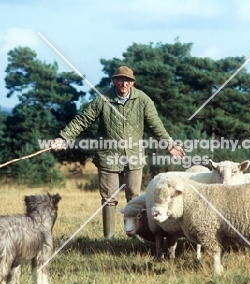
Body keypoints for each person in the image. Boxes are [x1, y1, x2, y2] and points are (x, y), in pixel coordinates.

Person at [51, 66, 185, 239]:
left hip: (134, 156)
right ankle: (109, 237)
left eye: (127, 80)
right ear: (113, 81)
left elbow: (155, 124)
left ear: (132, 82)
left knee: (134, 197)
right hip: (108, 156)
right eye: (120, 80)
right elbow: (83, 120)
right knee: (109, 198)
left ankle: (136, 236)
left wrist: (169, 144)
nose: (124, 83)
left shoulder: (143, 100)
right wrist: (63, 137)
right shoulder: (102, 99)